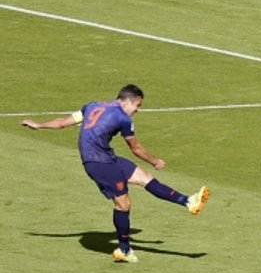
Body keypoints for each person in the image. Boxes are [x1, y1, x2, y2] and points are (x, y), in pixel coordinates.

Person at [20, 84, 209, 263]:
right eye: (138, 105)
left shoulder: (92, 106)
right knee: (123, 204)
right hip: (98, 163)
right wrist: (155, 161)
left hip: (107, 158)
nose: (138, 110)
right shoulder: (123, 119)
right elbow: (135, 148)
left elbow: (63, 123)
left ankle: (188, 201)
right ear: (128, 101)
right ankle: (124, 250)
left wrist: (39, 125)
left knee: (145, 177)